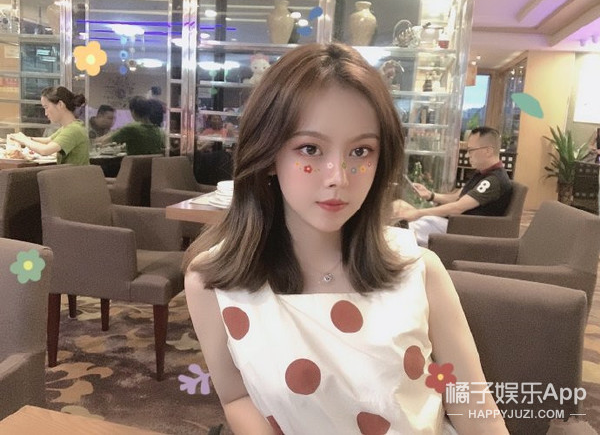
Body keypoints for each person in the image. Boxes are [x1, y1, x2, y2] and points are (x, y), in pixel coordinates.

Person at [183, 43, 507, 434]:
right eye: (310, 149)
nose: (338, 176)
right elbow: (236, 396)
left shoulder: (419, 271)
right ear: (268, 154)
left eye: (360, 151)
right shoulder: (213, 283)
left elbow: (475, 407)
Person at [393, 126, 513, 247]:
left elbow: (457, 207)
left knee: (398, 230)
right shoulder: (481, 173)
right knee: (398, 205)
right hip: (453, 223)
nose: (468, 155)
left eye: (471, 150)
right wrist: (430, 195)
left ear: (488, 151)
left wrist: (418, 213)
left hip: (462, 229)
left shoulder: (493, 180)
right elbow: (457, 197)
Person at [9, 86, 89, 165]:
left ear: (60, 104)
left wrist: (24, 140)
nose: (45, 113)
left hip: (72, 173)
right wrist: (24, 138)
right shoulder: (69, 127)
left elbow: (45, 150)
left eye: (46, 107)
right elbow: (48, 140)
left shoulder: (74, 129)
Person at [96, 96, 164, 155]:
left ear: (133, 111)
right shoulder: (158, 131)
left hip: (134, 165)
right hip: (152, 165)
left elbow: (103, 142)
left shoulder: (131, 128)